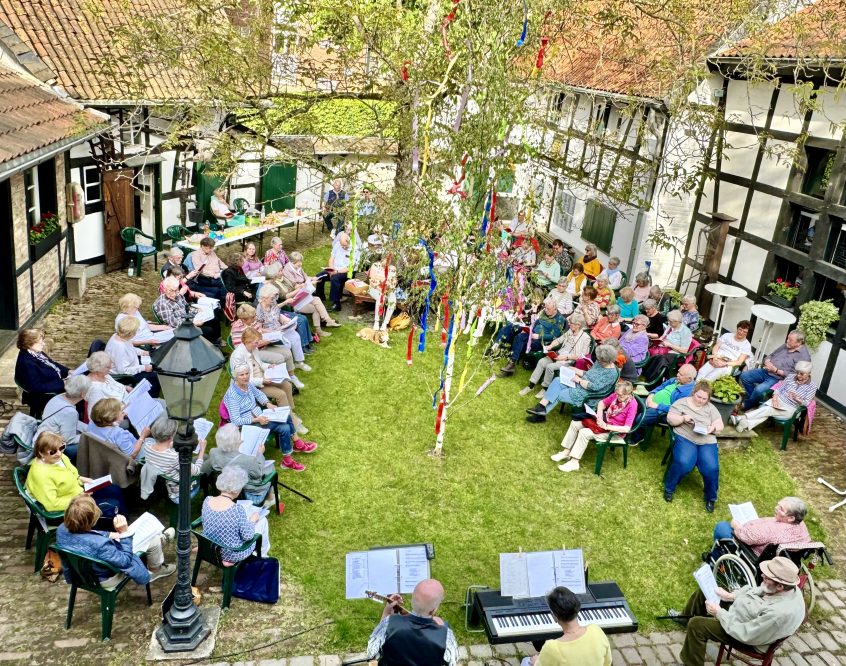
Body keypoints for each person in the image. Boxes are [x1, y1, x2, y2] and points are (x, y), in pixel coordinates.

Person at [671, 557, 805, 666]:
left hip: (749, 638)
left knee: (697, 625)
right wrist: (731, 596)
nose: (762, 575)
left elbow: (746, 633)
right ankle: (684, 619)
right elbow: (759, 590)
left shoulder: (778, 614)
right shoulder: (789, 587)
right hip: (748, 616)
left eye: (767, 577)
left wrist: (719, 613)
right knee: (707, 592)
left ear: (780, 586)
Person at [57, 494, 175, 589]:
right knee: (152, 541)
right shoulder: (101, 545)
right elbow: (125, 562)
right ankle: (156, 568)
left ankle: (159, 541)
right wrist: (124, 533)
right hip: (104, 578)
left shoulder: (62, 529)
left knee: (145, 540)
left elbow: (86, 536)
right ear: (90, 521)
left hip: (79, 572)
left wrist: (109, 534)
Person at [223, 365, 315, 472]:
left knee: (285, 418)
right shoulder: (232, 395)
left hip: (259, 416)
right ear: (235, 377)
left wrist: (267, 404)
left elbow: (258, 394)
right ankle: (291, 454)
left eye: (247, 373)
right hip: (248, 426)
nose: (245, 377)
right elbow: (236, 420)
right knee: (285, 425)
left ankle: (291, 455)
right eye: (241, 375)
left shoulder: (247, 384)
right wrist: (257, 420)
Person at [26, 432, 126, 515]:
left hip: (78, 491)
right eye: (52, 451)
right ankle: (114, 531)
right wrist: (80, 497)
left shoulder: (58, 458)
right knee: (112, 506)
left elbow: (72, 474)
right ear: (41, 453)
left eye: (62, 448)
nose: (59, 453)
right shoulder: (41, 475)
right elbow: (52, 505)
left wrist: (81, 479)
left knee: (115, 490)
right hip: (71, 506)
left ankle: (124, 525)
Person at [366, 578, 459, 666]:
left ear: (411, 601)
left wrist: (386, 615)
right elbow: (452, 662)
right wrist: (442, 628)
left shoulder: (389, 623)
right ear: (433, 610)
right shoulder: (446, 635)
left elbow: (371, 654)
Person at [552, 381, 637, 473]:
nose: (618, 397)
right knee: (575, 423)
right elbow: (602, 403)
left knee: (584, 433)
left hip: (614, 432)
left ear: (628, 394)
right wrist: (599, 417)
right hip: (603, 423)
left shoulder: (632, 405)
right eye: (617, 394)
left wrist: (607, 426)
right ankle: (566, 451)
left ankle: (574, 462)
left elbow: (626, 428)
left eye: (621, 395)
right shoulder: (616, 396)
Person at [664, 381, 724, 511]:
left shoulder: (710, 408)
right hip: (686, 437)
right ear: (693, 393)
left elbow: (720, 426)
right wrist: (683, 418)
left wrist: (712, 428)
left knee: (712, 468)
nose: (701, 401)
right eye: (699, 397)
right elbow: (670, 419)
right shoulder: (681, 403)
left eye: (704, 398)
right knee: (684, 463)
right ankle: (669, 488)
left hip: (706, 440)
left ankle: (711, 498)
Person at [231, 327, 303, 430]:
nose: (258, 344)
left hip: (263, 377)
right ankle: (292, 422)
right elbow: (244, 380)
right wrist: (262, 380)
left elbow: (258, 364)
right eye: (256, 342)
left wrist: (268, 366)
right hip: (253, 386)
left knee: (287, 385)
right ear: (247, 341)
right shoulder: (238, 356)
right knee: (280, 394)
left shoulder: (253, 348)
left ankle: (291, 412)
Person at [526, 344, 619, 423]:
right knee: (557, 380)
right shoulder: (601, 362)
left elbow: (594, 387)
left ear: (608, 360)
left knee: (559, 394)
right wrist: (575, 370)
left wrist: (578, 380)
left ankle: (540, 413)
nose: (598, 361)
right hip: (580, 383)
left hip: (588, 393)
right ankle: (541, 407)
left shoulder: (611, 373)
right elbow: (589, 374)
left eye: (600, 360)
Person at [521, 586, 612, 666]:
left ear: (555, 616)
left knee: (526, 661)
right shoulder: (596, 630)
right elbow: (607, 662)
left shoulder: (552, 648)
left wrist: (536, 662)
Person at [708, 497, 811, 561]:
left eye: (781, 509)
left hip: (755, 555)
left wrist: (735, 525)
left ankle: (715, 556)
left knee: (722, 527)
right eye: (778, 505)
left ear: (791, 518)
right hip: (781, 560)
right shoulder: (801, 525)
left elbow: (746, 537)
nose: (776, 508)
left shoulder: (772, 530)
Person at [201, 466, 270, 560]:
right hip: (231, 554)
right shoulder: (237, 509)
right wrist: (253, 520)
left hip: (210, 547)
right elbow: (248, 536)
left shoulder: (207, 500)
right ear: (237, 490)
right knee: (263, 521)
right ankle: (263, 555)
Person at [519, 314, 591, 396]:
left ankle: (545, 388)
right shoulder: (570, 331)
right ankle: (530, 386)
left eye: (571, 323)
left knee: (550, 367)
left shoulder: (586, 338)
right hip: (559, 355)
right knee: (542, 361)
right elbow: (559, 340)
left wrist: (566, 357)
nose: (569, 324)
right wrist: (550, 346)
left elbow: (582, 356)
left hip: (569, 361)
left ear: (578, 325)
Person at [734, 362, 816, 433]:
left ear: (809, 373)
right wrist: (775, 398)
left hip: (791, 408)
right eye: (797, 372)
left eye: (801, 374)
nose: (798, 375)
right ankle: (746, 424)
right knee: (768, 410)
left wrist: (797, 399)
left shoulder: (812, 386)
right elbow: (779, 389)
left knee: (768, 409)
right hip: (779, 400)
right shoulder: (791, 377)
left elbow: (807, 403)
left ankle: (741, 418)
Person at [201, 424, 272, 505]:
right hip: (244, 493)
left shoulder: (213, 452)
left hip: (223, 487)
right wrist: (260, 454)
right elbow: (257, 475)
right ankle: (270, 498)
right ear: (239, 441)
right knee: (270, 467)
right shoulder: (248, 460)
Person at [739, 331, 811, 410]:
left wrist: (775, 370)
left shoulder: (804, 357)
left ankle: (747, 404)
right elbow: (771, 355)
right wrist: (767, 361)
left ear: (799, 342)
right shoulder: (786, 345)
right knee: (744, 376)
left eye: (790, 340)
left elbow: (794, 376)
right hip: (766, 370)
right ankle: (754, 399)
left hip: (778, 378)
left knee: (759, 389)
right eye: (788, 338)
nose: (787, 341)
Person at [628, 363, 697, 444]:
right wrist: (651, 395)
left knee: (640, 418)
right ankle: (626, 428)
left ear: (689, 379)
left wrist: (657, 406)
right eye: (678, 372)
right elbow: (660, 387)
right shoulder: (675, 380)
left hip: (662, 411)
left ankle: (638, 437)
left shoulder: (689, 393)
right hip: (651, 401)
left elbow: (677, 410)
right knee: (631, 404)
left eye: (681, 375)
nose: (677, 375)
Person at [499, 298, 567, 376]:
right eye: (545, 308)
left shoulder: (560, 320)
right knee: (518, 334)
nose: (545, 310)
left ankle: (511, 363)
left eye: (548, 309)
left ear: (555, 309)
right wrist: (529, 329)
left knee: (520, 342)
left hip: (540, 341)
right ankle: (511, 363)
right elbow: (536, 322)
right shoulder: (545, 313)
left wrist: (539, 336)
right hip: (531, 334)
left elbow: (554, 336)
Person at [142, 416, 206, 498]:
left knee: (201, 458)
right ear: (172, 435)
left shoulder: (147, 446)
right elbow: (196, 471)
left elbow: (161, 452)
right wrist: (202, 449)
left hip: (161, 485)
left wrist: (170, 445)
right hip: (180, 492)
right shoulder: (174, 457)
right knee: (206, 459)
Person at [281, 251, 341, 336]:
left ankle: (327, 320)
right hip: (296, 299)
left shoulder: (297, 267)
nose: (301, 264)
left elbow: (305, 277)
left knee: (317, 299)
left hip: (303, 295)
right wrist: (308, 283)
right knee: (315, 307)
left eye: (301, 262)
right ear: (292, 262)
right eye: (299, 262)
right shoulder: (287, 270)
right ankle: (321, 327)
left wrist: (313, 278)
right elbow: (296, 286)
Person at [35, 375, 91, 462]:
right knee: (90, 446)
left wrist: (89, 429)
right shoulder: (70, 412)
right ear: (82, 394)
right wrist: (89, 436)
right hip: (50, 446)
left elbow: (71, 422)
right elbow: (69, 439)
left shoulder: (57, 397)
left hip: (42, 436)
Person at [14, 328, 69, 418]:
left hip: (55, 383)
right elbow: (36, 387)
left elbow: (53, 364)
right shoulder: (27, 362)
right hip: (42, 396)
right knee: (79, 393)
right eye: (40, 342)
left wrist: (67, 371)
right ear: (29, 343)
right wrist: (62, 383)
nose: (43, 344)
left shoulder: (36, 353)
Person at [255, 284, 310, 371]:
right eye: (272, 298)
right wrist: (272, 331)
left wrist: (284, 320)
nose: (274, 299)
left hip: (280, 329)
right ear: (264, 297)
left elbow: (276, 312)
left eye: (274, 297)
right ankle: (288, 366)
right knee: (286, 343)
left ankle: (299, 362)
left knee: (295, 336)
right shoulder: (259, 309)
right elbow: (259, 329)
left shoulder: (272, 302)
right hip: (270, 334)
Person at [230, 303, 297, 374]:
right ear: (243, 320)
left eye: (255, 315)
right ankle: (280, 378)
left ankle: (292, 376)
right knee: (279, 358)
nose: (255, 318)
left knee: (287, 352)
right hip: (253, 353)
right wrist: (260, 343)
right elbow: (239, 347)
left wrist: (273, 334)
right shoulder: (237, 328)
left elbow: (259, 332)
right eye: (252, 317)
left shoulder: (252, 322)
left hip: (263, 346)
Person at [154, 276, 222, 345]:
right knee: (208, 330)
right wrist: (193, 323)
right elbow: (174, 324)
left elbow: (186, 307)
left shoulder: (177, 295)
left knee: (214, 319)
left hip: (188, 320)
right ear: (165, 289)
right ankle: (210, 347)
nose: (174, 293)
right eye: (171, 290)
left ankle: (217, 342)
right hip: (181, 329)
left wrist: (197, 310)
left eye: (176, 290)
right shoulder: (162, 304)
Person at [105, 317, 162, 397]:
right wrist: (144, 368)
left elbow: (130, 347)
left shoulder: (118, 336)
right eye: (136, 330)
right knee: (155, 376)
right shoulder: (120, 348)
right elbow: (124, 371)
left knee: (154, 365)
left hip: (132, 364)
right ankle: (150, 398)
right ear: (130, 333)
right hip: (124, 376)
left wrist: (143, 352)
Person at [643, 309, 693, 382]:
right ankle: (646, 374)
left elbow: (684, 350)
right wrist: (659, 341)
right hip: (665, 348)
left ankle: (654, 380)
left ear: (677, 321)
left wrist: (670, 345)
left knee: (661, 359)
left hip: (677, 354)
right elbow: (663, 336)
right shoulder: (671, 326)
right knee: (649, 351)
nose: (669, 323)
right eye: (668, 321)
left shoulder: (685, 332)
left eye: (671, 322)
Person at [318, 232, 360, 312]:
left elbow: (350, 267)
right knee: (320, 276)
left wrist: (336, 272)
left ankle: (336, 304)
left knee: (334, 279)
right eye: (342, 245)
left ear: (349, 241)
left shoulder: (355, 249)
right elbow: (331, 258)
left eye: (344, 245)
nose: (343, 247)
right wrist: (331, 269)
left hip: (347, 271)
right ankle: (320, 296)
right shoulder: (338, 244)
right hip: (334, 269)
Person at [85, 351, 131, 418]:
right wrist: (123, 408)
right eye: (108, 367)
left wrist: (126, 387)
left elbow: (115, 385)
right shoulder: (95, 388)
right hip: (120, 413)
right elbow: (96, 414)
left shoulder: (104, 375)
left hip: (128, 400)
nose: (111, 368)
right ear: (98, 369)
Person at [187, 237, 228, 302]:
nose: (211, 250)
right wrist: (214, 275)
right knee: (226, 283)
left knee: (229, 279)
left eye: (212, 248)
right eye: (209, 248)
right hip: (207, 278)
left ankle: (226, 301)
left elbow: (219, 261)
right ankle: (225, 303)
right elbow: (200, 270)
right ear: (203, 246)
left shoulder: (212, 252)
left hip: (218, 275)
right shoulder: (196, 255)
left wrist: (227, 269)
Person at [368, 253, 399, 331]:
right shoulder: (375, 265)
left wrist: (390, 287)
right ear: (382, 259)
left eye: (390, 260)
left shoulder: (392, 268)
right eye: (387, 260)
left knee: (393, 300)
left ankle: (385, 323)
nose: (388, 262)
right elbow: (371, 280)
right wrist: (380, 288)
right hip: (375, 288)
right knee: (380, 298)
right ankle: (376, 321)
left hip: (388, 289)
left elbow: (394, 282)